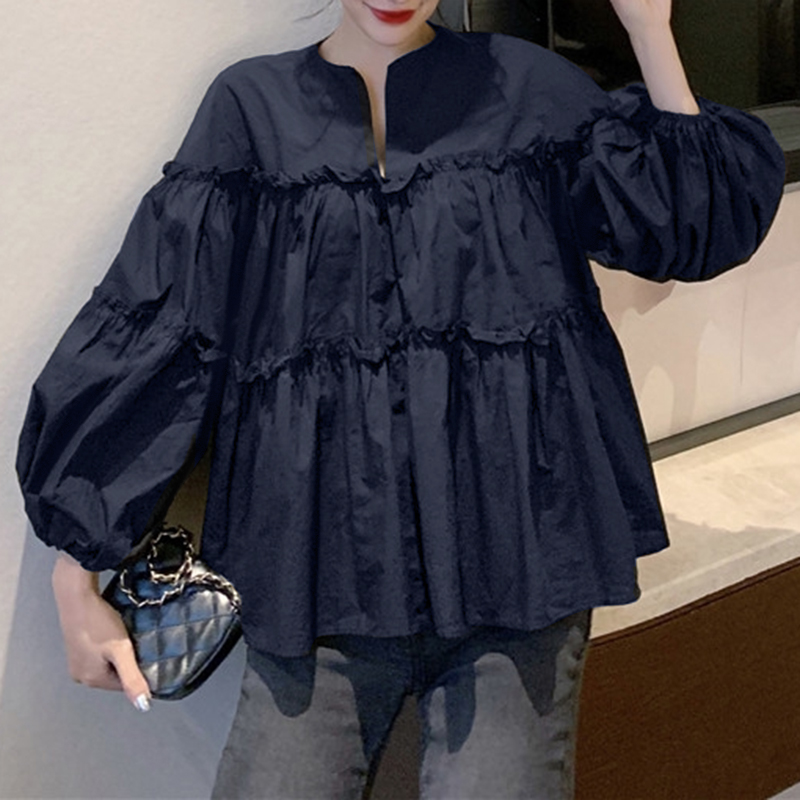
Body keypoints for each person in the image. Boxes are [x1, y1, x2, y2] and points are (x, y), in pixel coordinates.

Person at [16, 1, 784, 798]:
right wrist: (76, 570)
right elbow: (164, 321)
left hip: (519, 566)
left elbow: (690, 225)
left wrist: (650, 27)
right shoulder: (252, 108)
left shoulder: (530, 90)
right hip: (317, 577)